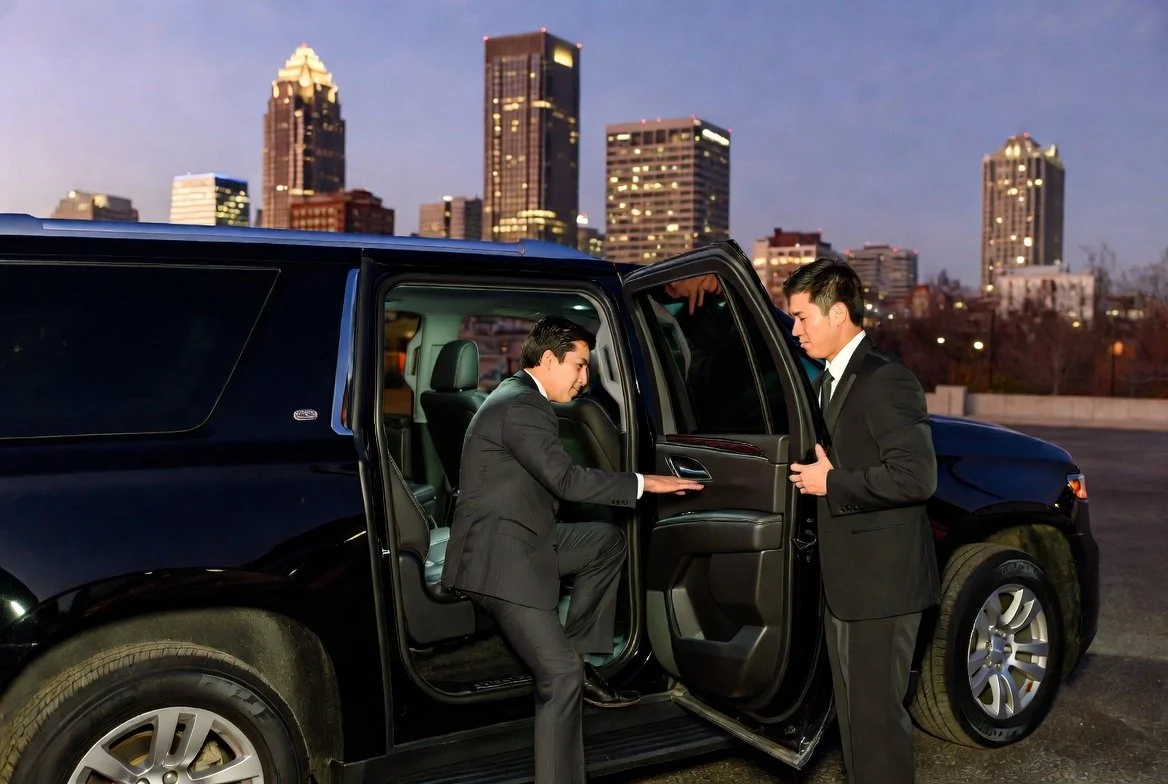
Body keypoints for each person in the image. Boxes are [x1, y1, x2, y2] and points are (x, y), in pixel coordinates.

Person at [440, 316, 704, 784]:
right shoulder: (523, 406)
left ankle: (578, 655)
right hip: (501, 560)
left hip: (521, 535)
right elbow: (565, 479)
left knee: (605, 541)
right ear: (547, 360)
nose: (586, 379)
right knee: (557, 677)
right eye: (580, 366)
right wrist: (645, 482)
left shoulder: (513, 397)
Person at [785, 258, 939, 784]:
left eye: (803, 318)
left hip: (883, 588)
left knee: (877, 727)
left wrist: (835, 483)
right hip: (849, 584)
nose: (795, 329)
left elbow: (917, 478)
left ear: (840, 314)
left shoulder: (885, 380)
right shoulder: (831, 379)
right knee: (854, 723)